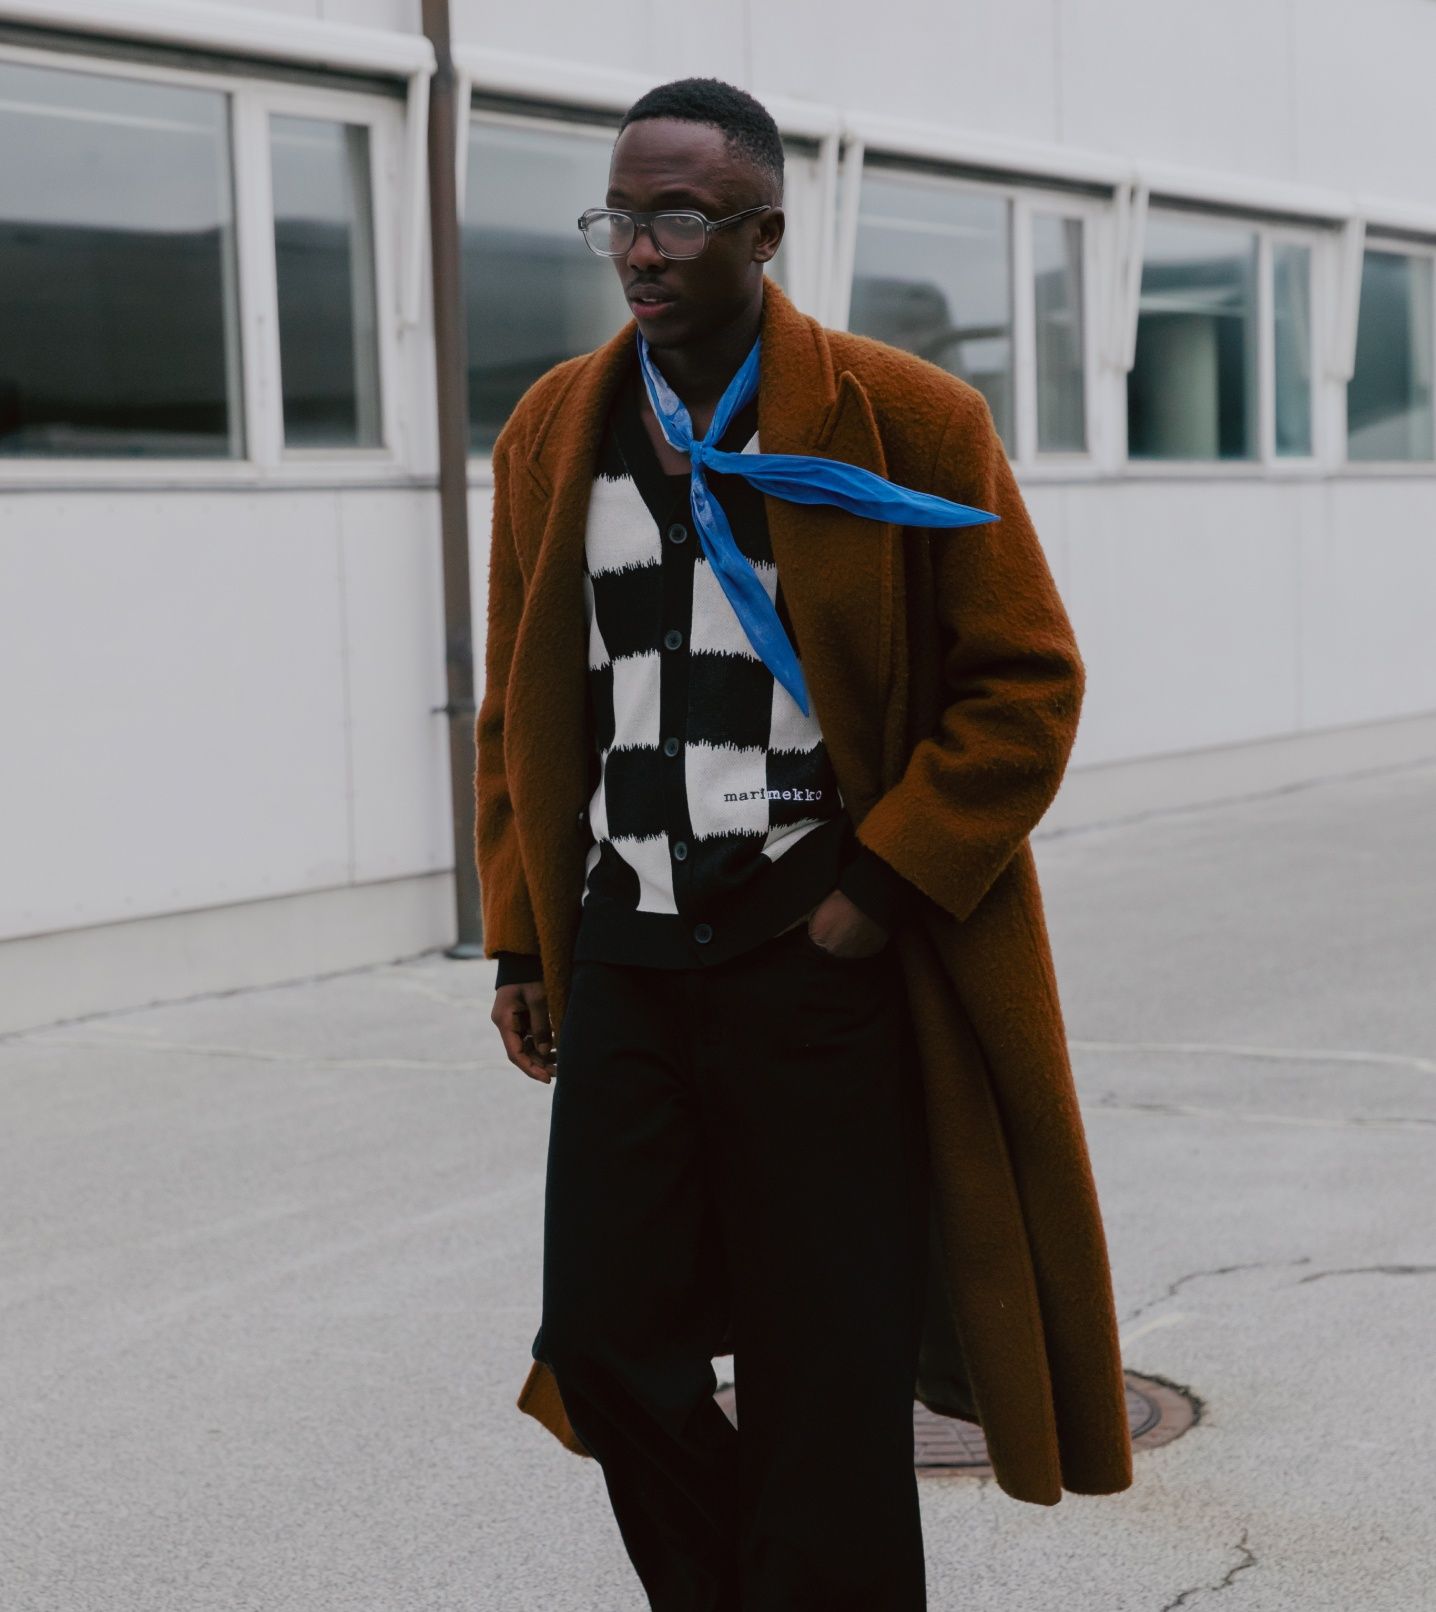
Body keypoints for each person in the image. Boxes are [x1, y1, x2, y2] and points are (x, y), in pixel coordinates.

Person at [476, 76, 1132, 1612]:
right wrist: (522, 931)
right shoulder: (552, 431)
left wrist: (878, 890)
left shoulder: (907, 419)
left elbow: (1026, 683)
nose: (642, 249)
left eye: (681, 216)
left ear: (765, 230)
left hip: (819, 957)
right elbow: (522, 704)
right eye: (621, 217)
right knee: (605, 1346)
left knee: (821, 1382)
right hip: (629, 950)